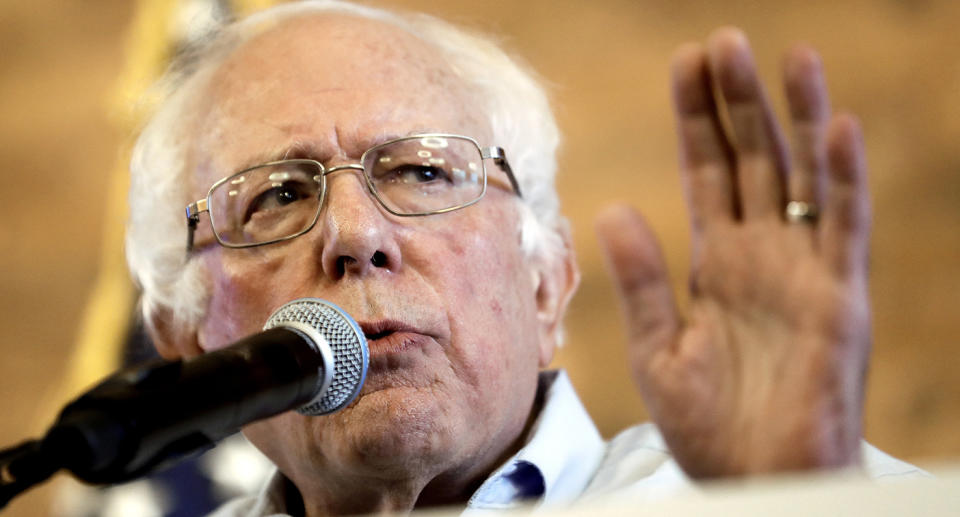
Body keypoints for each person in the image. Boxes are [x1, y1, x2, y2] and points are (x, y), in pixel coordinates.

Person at [124, 1, 924, 515]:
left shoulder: (760, 496)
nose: (356, 235)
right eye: (278, 196)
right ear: (188, 334)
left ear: (545, 286)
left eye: (422, 170)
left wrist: (801, 499)